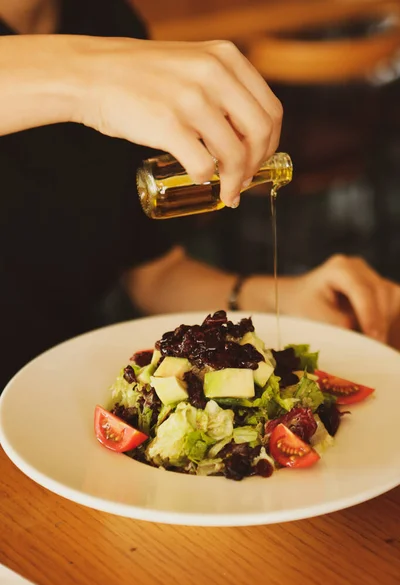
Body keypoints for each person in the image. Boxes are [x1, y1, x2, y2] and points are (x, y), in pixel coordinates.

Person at [0, 0, 400, 392]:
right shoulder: (105, 57)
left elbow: (156, 275)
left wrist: (285, 299)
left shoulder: (104, 17)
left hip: (58, 399)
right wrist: (87, 74)